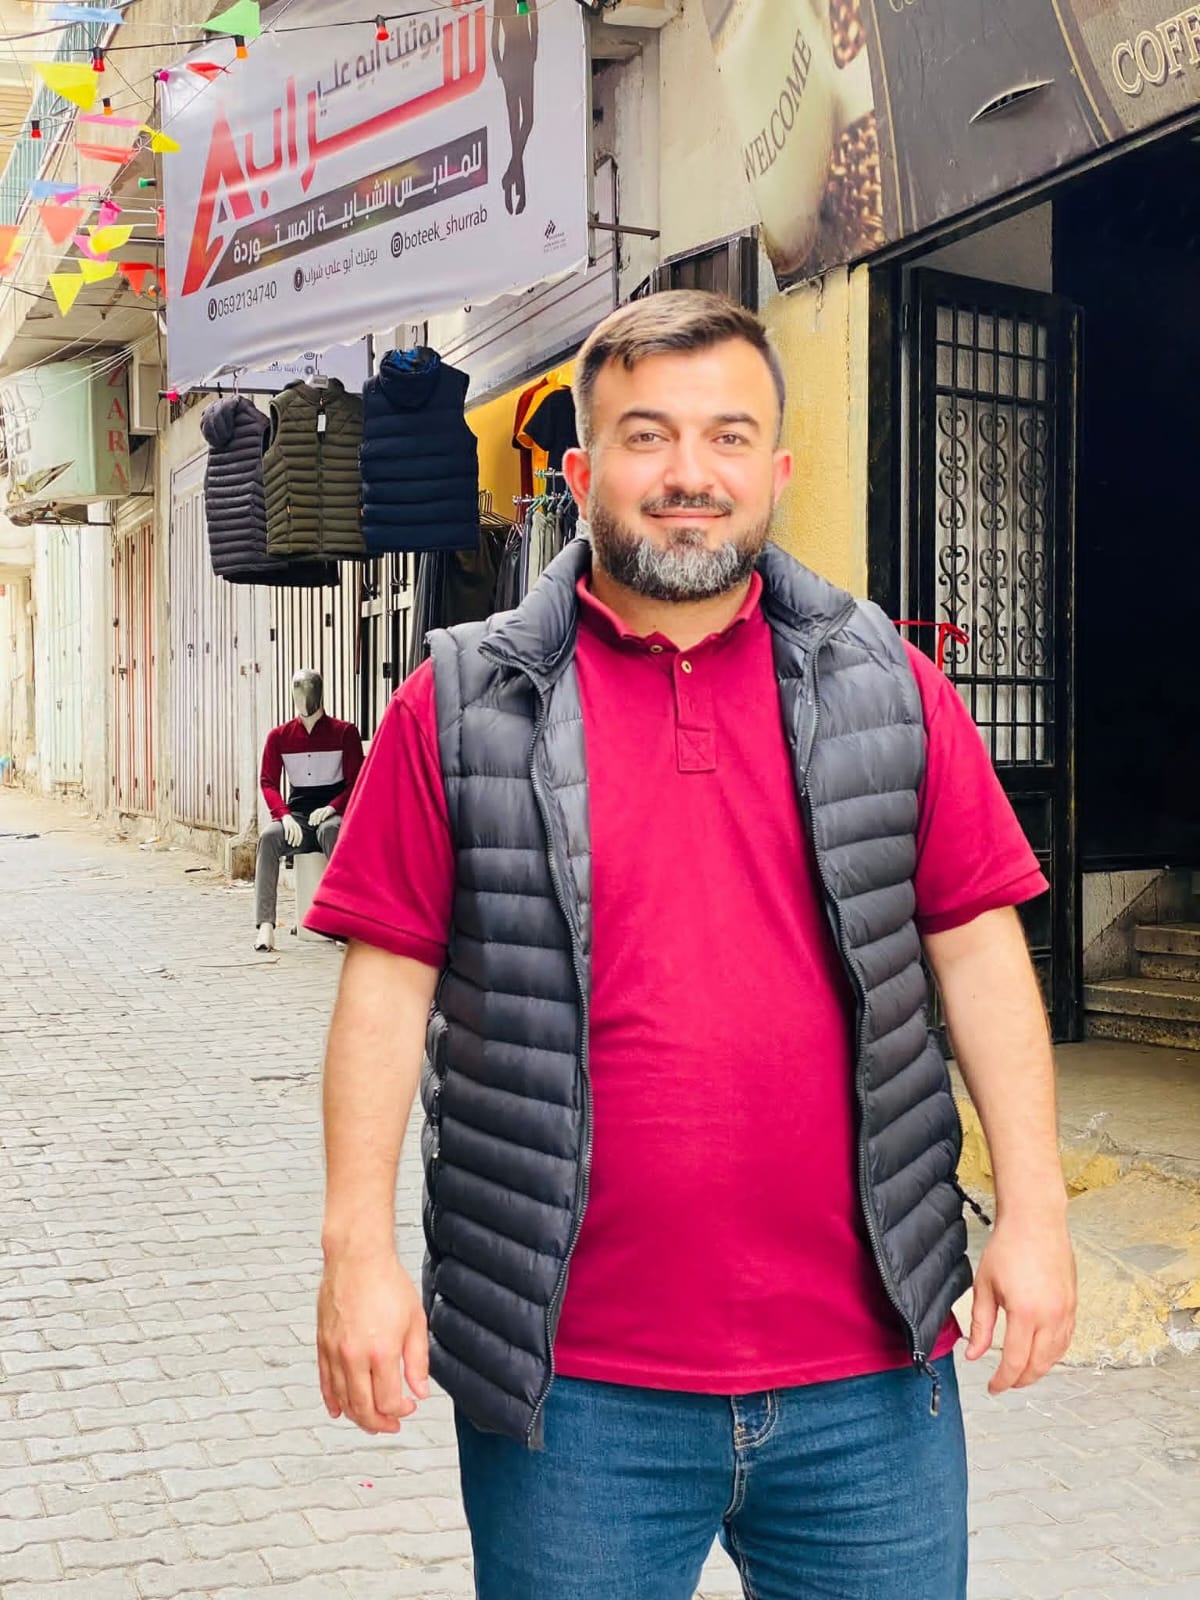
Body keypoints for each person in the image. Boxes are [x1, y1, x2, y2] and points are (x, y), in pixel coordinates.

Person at [308, 292, 1077, 1600]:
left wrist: (1040, 1213)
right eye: (647, 435)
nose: (688, 474)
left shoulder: (889, 687)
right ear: (580, 474)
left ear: (777, 471)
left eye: (728, 437)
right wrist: (355, 1251)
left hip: (869, 1383)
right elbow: (387, 984)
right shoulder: (462, 705)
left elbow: (979, 951)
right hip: (571, 1394)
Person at [253, 668, 363, 952]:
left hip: (332, 813)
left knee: (331, 831)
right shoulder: (279, 737)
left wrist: (332, 807)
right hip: (298, 815)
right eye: (298, 691)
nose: (304, 698)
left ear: (320, 693)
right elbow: (267, 781)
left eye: (309, 691)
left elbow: (356, 781)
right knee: (269, 837)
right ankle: (265, 925)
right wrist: (283, 815)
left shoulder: (345, 733)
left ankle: (343, 921)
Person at [491, 0, 538, 216]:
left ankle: (511, 176)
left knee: (527, 120)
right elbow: (494, 35)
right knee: (514, 124)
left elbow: (534, 22)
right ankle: (520, 189)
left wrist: (533, 53)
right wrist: (499, 66)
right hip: (511, 61)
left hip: (524, 59)